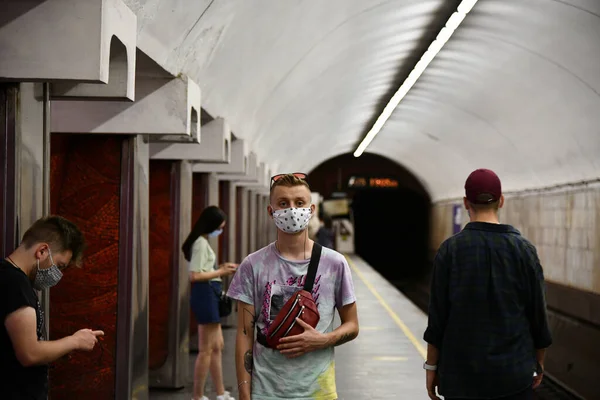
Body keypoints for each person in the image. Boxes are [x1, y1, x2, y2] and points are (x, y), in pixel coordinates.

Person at [227, 173, 359, 400]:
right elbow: (244, 333)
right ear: (271, 211)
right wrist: (244, 393)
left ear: (311, 210)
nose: (291, 210)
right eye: (283, 203)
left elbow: (352, 325)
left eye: (299, 203)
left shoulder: (335, 263)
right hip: (265, 391)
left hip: (318, 391)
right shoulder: (253, 265)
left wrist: (323, 339)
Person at [423, 169, 553, 400]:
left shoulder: (450, 251)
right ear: (501, 200)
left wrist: (432, 367)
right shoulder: (524, 251)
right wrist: (538, 361)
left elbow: (437, 319)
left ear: (465, 203)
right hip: (514, 376)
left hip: (461, 378)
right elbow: (538, 316)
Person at [0, 215, 104, 400]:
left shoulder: (15, 280)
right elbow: (29, 353)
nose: (58, 275)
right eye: (60, 266)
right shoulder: (14, 283)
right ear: (42, 251)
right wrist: (76, 341)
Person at [182, 205, 238, 400]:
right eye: (219, 227)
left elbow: (203, 269)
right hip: (205, 294)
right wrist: (221, 272)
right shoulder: (199, 243)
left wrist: (221, 267)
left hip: (210, 293)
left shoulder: (203, 242)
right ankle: (197, 396)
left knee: (217, 346)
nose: (220, 230)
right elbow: (195, 275)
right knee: (206, 349)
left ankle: (220, 392)